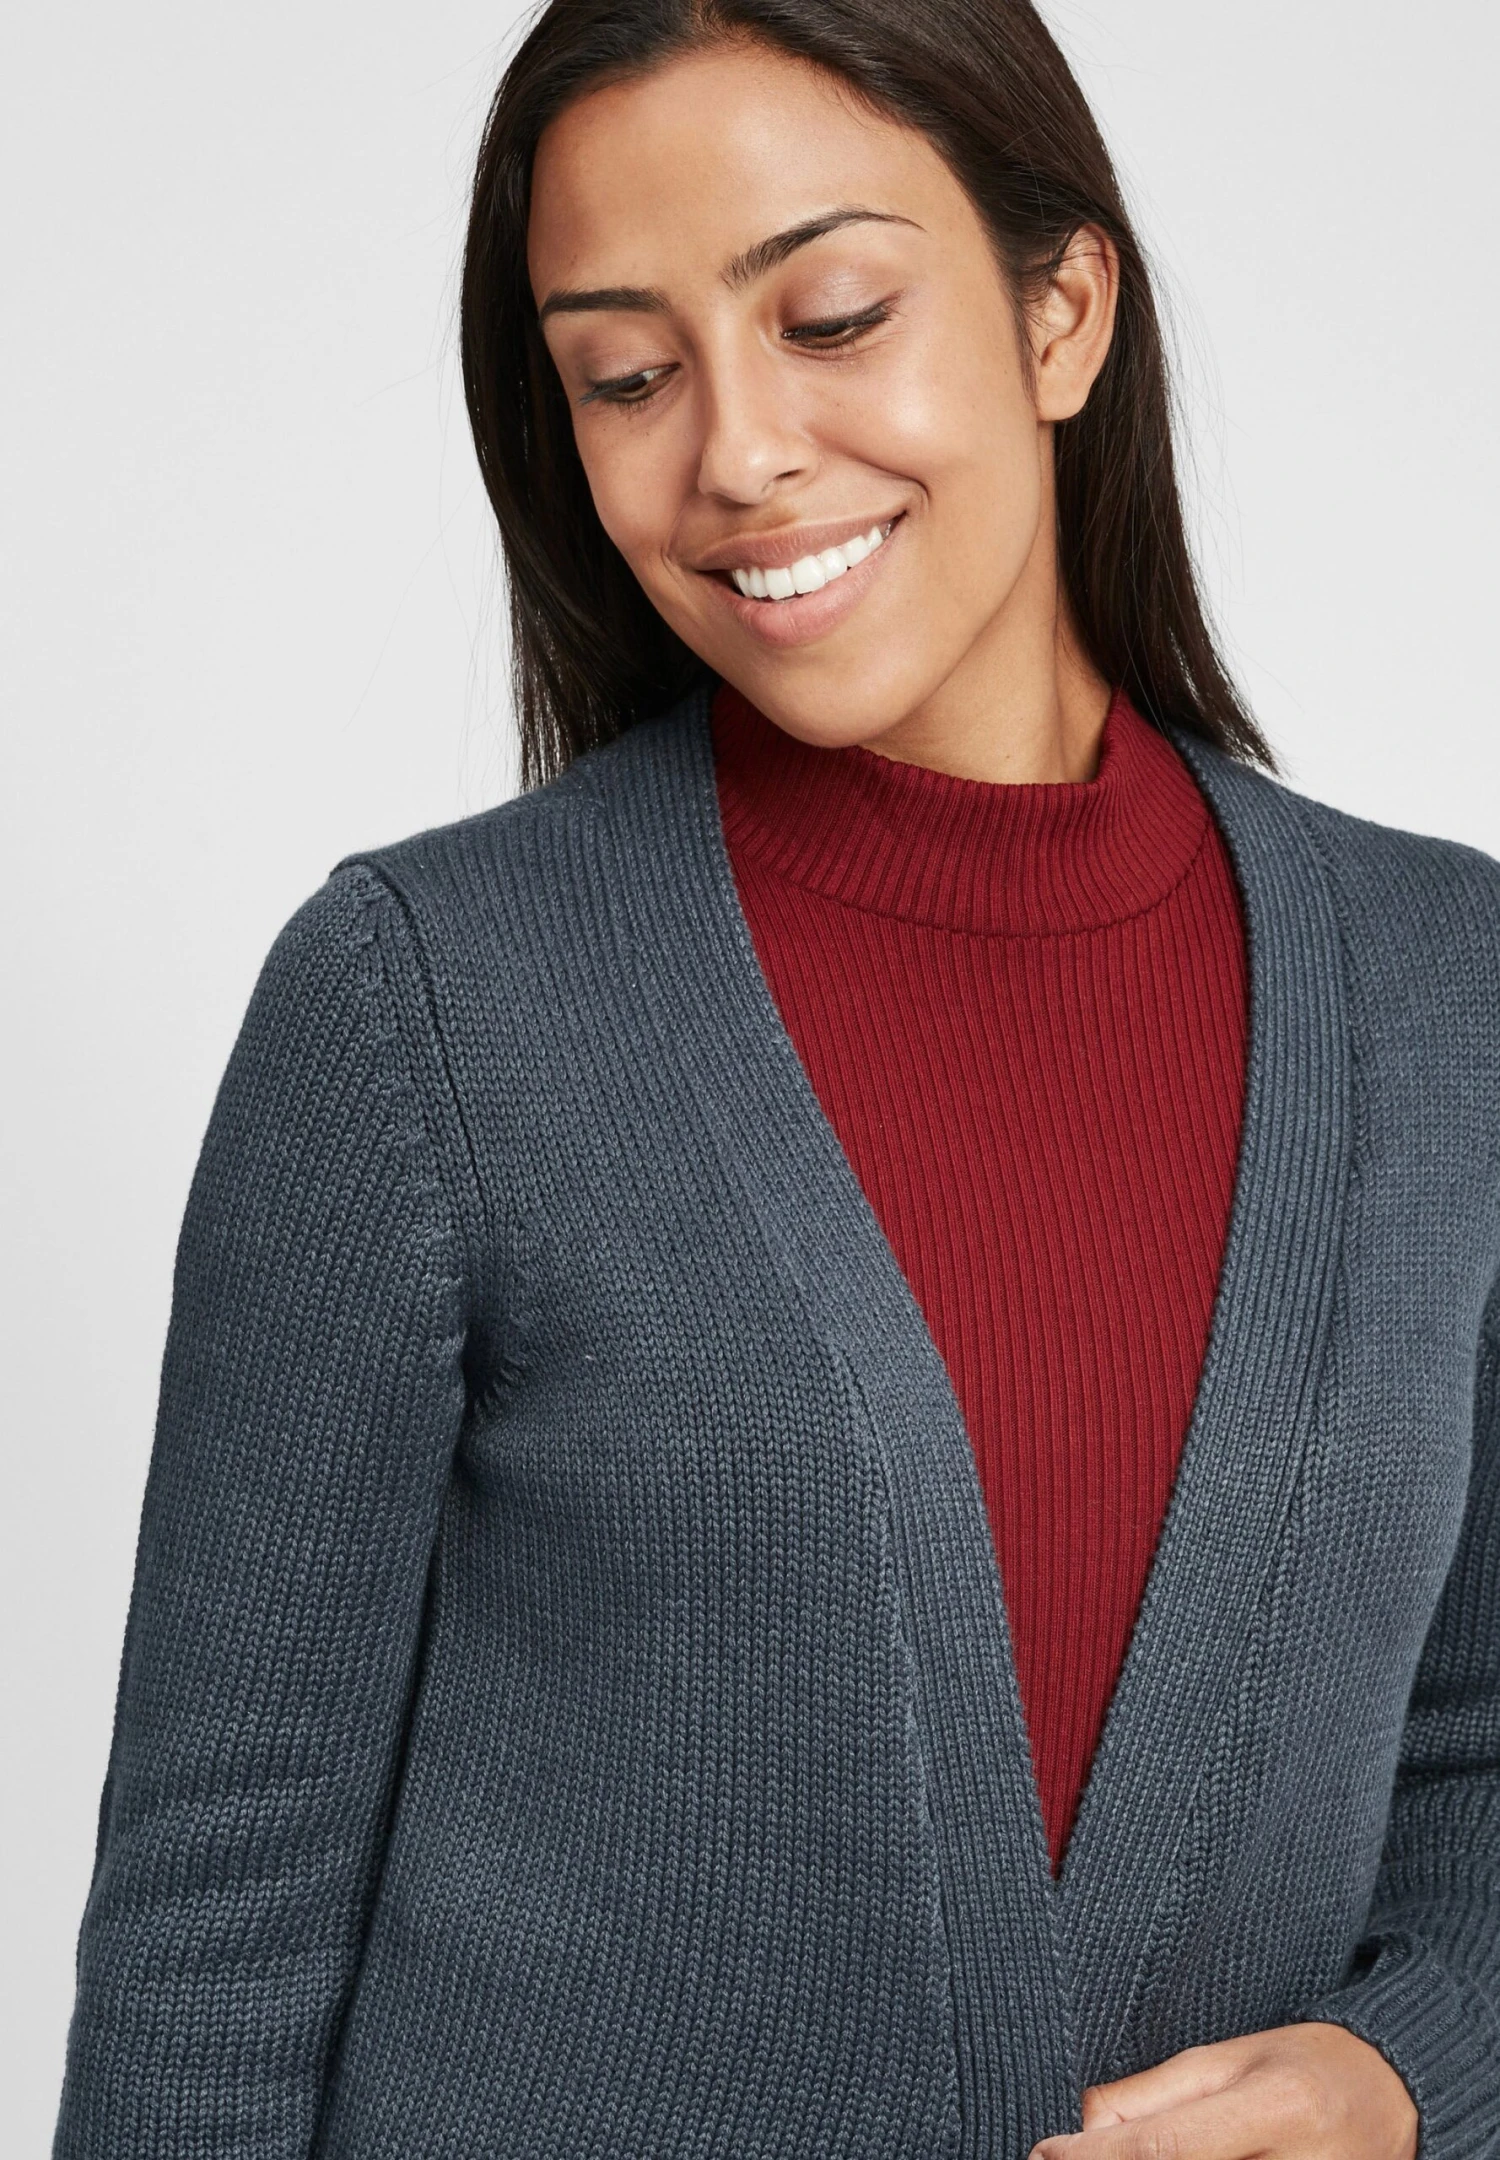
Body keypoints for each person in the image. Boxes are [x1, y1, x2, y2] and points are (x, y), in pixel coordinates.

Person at [52, 4, 1500, 2156]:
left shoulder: (1447, 992)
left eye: (831, 317)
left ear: (1062, 314)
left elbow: (1474, 1758)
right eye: (627, 375)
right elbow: (215, 1936)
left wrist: (1405, 2077)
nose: (735, 453)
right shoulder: (424, 1005)